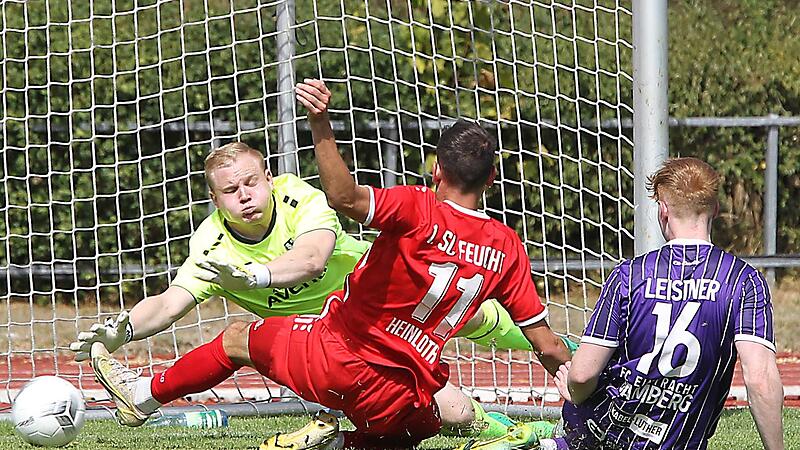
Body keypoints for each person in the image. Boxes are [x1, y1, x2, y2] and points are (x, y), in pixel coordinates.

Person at [89, 79, 572, 449]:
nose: (244, 196)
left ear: (435, 171)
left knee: (236, 338)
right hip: (404, 383)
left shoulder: (413, 205)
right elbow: (546, 344)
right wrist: (583, 387)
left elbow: (336, 210)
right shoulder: (507, 246)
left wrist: (321, 123)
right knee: (428, 418)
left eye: (250, 184)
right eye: (230, 191)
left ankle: (144, 397)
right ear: (491, 177)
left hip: (334, 352)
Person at [480, 157, 784, 450]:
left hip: (609, 434)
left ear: (663, 211)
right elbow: (760, 379)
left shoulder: (630, 275)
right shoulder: (743, 281)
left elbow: (583, 374)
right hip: (681, 441)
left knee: (580, 421)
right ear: (715, 209)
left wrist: (574, 391)